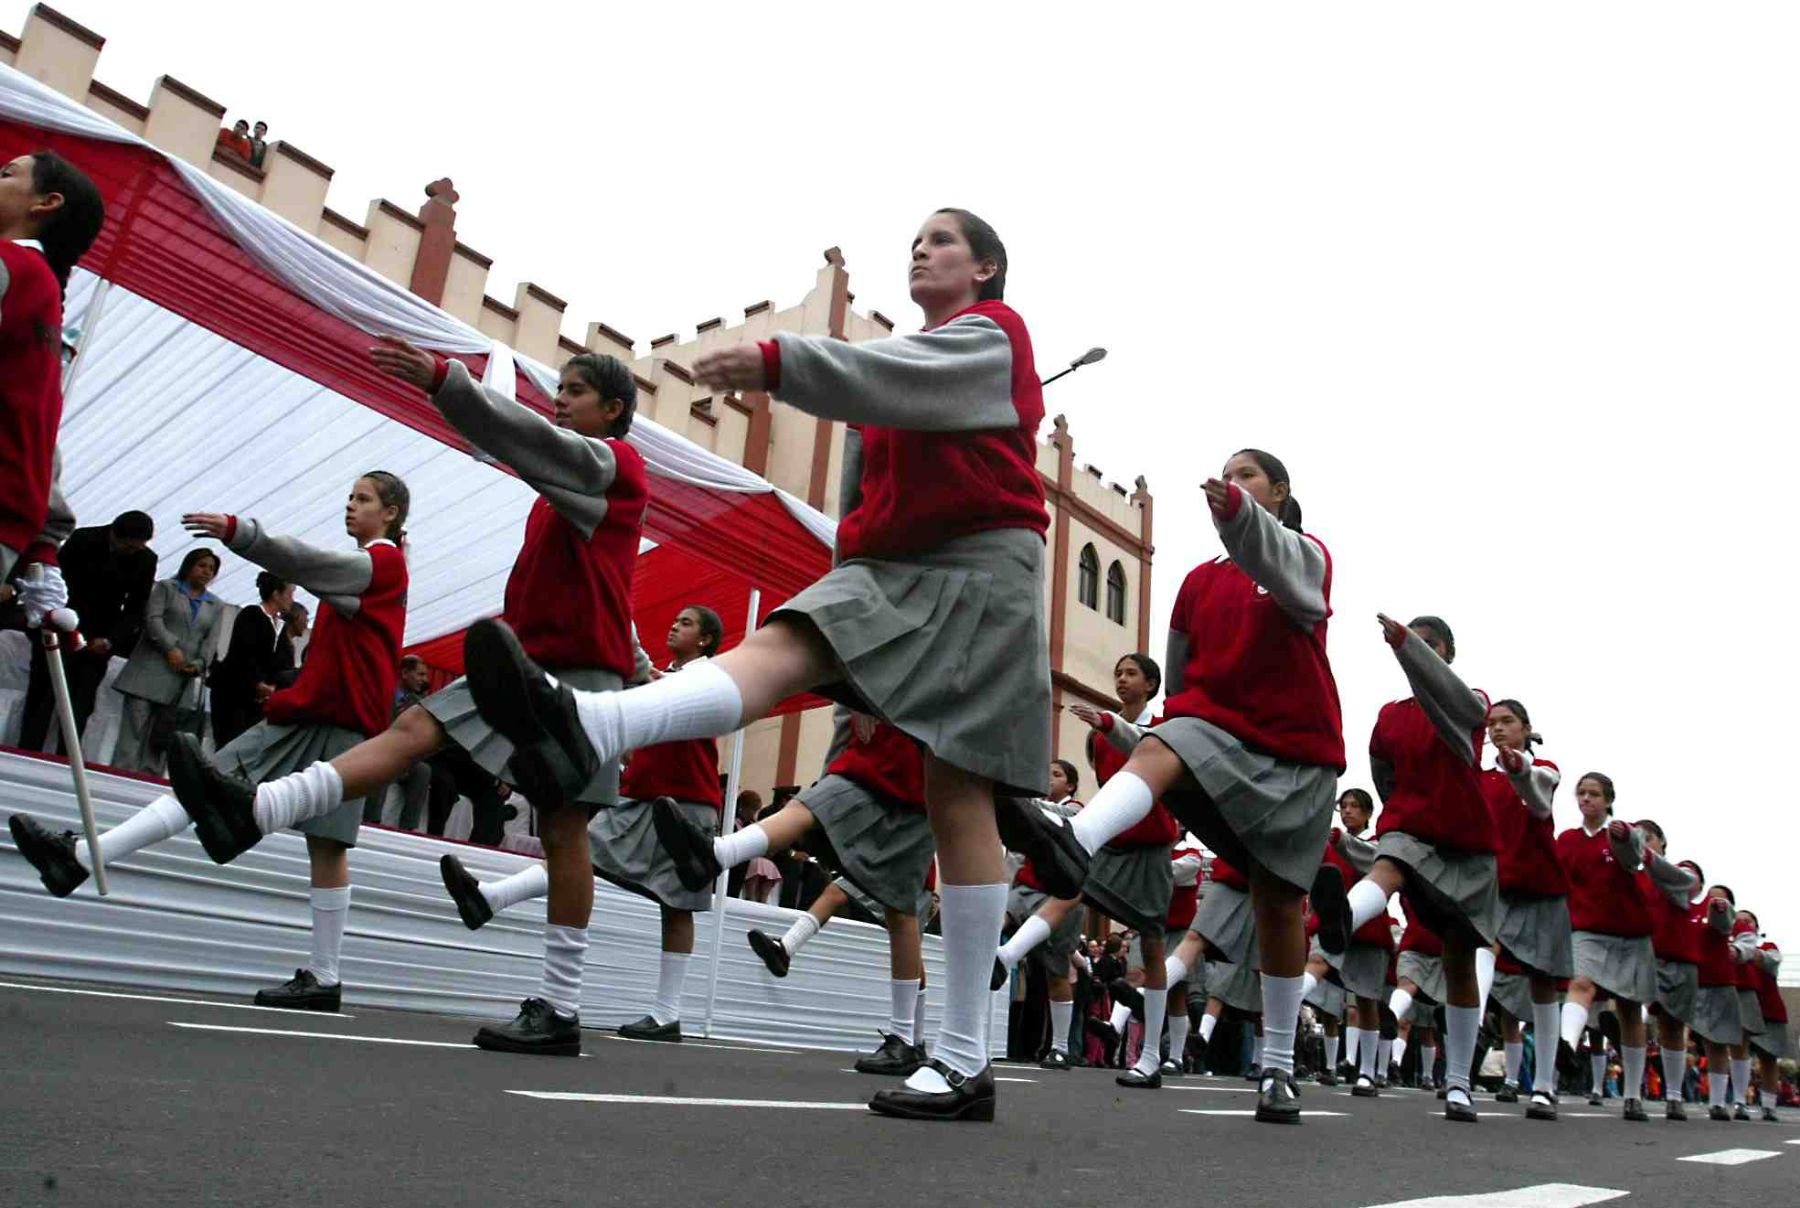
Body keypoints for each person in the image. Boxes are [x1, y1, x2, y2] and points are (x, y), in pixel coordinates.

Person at [459, 209, 1050, 1122]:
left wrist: (781, 363)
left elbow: (885, 379)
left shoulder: (993, 337)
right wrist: (848, 573)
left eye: (940, 240)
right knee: (783, 640)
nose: (920, 250)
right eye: (915, 242)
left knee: (956, 794)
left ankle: (965, 1057)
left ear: (986, 266)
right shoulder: (904, 366)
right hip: (890, 570)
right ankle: (589, 719)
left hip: (982, 568)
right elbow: (865, 491)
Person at [165, 340, 646, 1052]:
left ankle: (561, 1009)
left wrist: (448, 382)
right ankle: (255, 807)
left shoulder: (615, 464)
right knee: (412, 729)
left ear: (611, 409)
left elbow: (529, 440)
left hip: (578, 679)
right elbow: (600, 581)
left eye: (574, 391)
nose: (559, 399)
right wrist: (639, 656)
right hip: (522, 658)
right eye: (559, 389)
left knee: (563, 830)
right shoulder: (561, 494)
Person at [9, 473, 410, 1016]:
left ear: (389, 512)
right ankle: (83, 854)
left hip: (342, 723)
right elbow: (316, 575)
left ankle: (324, 975)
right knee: (203, 784)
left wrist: (241, 532)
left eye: (362, 499)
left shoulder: (382, 565)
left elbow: (307, 564)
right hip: (311, 716)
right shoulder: (373, 569)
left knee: (326, 846)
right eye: (350, 496)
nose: (349, 505)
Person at [646, 702, 935, 1072]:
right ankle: (718, 854)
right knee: (809, 806)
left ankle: (908, 1037)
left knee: (900, 912)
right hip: (866, 765)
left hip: (916, 779)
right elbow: (845, 716)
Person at [0, 151, 104, 616]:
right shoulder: (42, 291)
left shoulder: (11, 267)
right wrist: (42, 547)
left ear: (46, 202)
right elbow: (37, 431)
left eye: (7, 174)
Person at [1479, 698, 1573, 1120]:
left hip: (1540, 888)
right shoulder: (1482, 779)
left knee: (1542, 984)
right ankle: (1462, 1069)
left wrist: (1519, 769)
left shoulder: (1545, 768)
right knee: (1484, 950)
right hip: (1495, 888)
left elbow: (1539, 795)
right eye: (1492, 724)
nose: (1498, 729)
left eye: (1507, 722)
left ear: (1525, 727)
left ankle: (1545, 1086)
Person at [1552, 774, 1659, 1123]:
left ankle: (1632, 1095)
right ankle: (1565, 1044)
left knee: (1629, 1010)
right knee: (1581, 984)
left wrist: (1626, 838)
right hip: (1587, 930)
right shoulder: (1567, 840)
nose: (1586, 799)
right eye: (1581, 793)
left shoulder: (1624, 835)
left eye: (1594, 794)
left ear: (1608, 799)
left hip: (1630, 934)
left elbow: (1635, 860)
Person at [19, 511, 156, 751]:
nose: (132, 552)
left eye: (137, 548)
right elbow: (57, 583)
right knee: (41, 697)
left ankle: (66, 758)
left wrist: (110, 640)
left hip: (99, 640)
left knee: (79, 705)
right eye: (128, 546)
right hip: (60, 628)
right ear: (115, 533)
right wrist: (57, 621)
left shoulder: (145, 560)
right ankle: (27, 751)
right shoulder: (84, 539)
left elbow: (135, 608)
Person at [994, 771, 1085, 1070]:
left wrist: (1024, 804)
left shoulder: (1078, 809)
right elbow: (1016, 854)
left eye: (1057, 774)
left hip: (1060, 894)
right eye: (1046, 772)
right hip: (1026, 888)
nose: (1048, 777)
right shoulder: (1030, 811)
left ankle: (1060, 1047)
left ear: (1070, 784)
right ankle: (996, 961)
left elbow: (1064, 817)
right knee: (998, 921)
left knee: (1056, 973)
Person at [110, 548, 224, 774]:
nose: (206, 572)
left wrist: (200, 663)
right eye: (201, 565)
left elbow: (211, 640)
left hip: (180, 681)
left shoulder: (215, 605)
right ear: (188, 566)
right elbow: (152, 620)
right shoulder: (166, 588)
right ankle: (120, 774)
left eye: (211, 569)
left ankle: (148, 780)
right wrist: (170, 647)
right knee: (133, 731)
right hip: (148, 672)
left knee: (162, 737)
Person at [1317, 791, 1395, 1097]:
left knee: (1365, 1001)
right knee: (1330, 1003)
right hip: (1332, 926)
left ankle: (1368, 1072)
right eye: (1343, 807)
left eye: (1355, 807)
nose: (1347, 812)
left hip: (1368, 928)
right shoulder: (1331, 844)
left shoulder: (1378, 844)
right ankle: (1333, 1064)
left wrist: (1338, 839)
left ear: (1368, 813)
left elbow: (1366, 858)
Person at [1634, 824, 1703, 1120]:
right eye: (1638, 840)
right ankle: (1631, 1093)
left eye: (1647, 838)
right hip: (1644, 954)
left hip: (1678, 959)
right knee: (1633, 1014)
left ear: (1661, 841)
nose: (1643, 844)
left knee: (1673, 1027)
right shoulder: (1634, 875)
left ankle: (1674, 1095)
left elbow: (1690, 884)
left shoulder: (1679, 871)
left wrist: (1650, 860)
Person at [210, 570, 296, 748]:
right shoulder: (252, 614)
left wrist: (273, 684)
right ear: (276, 594)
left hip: (256, 699)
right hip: (234, 692)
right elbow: (243, 652)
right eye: (289, 594)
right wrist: (257, 682)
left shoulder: (279, 626)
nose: (292, 600)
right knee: (229, 740)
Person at [1690, 884, 1747, 1120]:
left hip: (1721, 983)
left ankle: (1718, 1102)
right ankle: (1673, 1097)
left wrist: (1737, 950)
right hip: (1692, 981)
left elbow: (1746, 944)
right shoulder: (1693, 918)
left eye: (1720, 899)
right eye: (1710, 898)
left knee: (1718, 1042)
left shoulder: (1736, 926)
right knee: (1676, 1032)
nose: (1714, 903)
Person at [1738, 912, 1785, 1122]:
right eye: (1739, 920)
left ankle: (1768, 1106)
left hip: (1769, 1009)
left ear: (1756, 927)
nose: (1744, 924)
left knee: (1769, 1058)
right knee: (1740, 1054)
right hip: (1742, 1008)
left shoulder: (1768, 948)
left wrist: (1745, 949)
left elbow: (1770, 962)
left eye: (1748, 921)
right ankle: (1739, 1101)